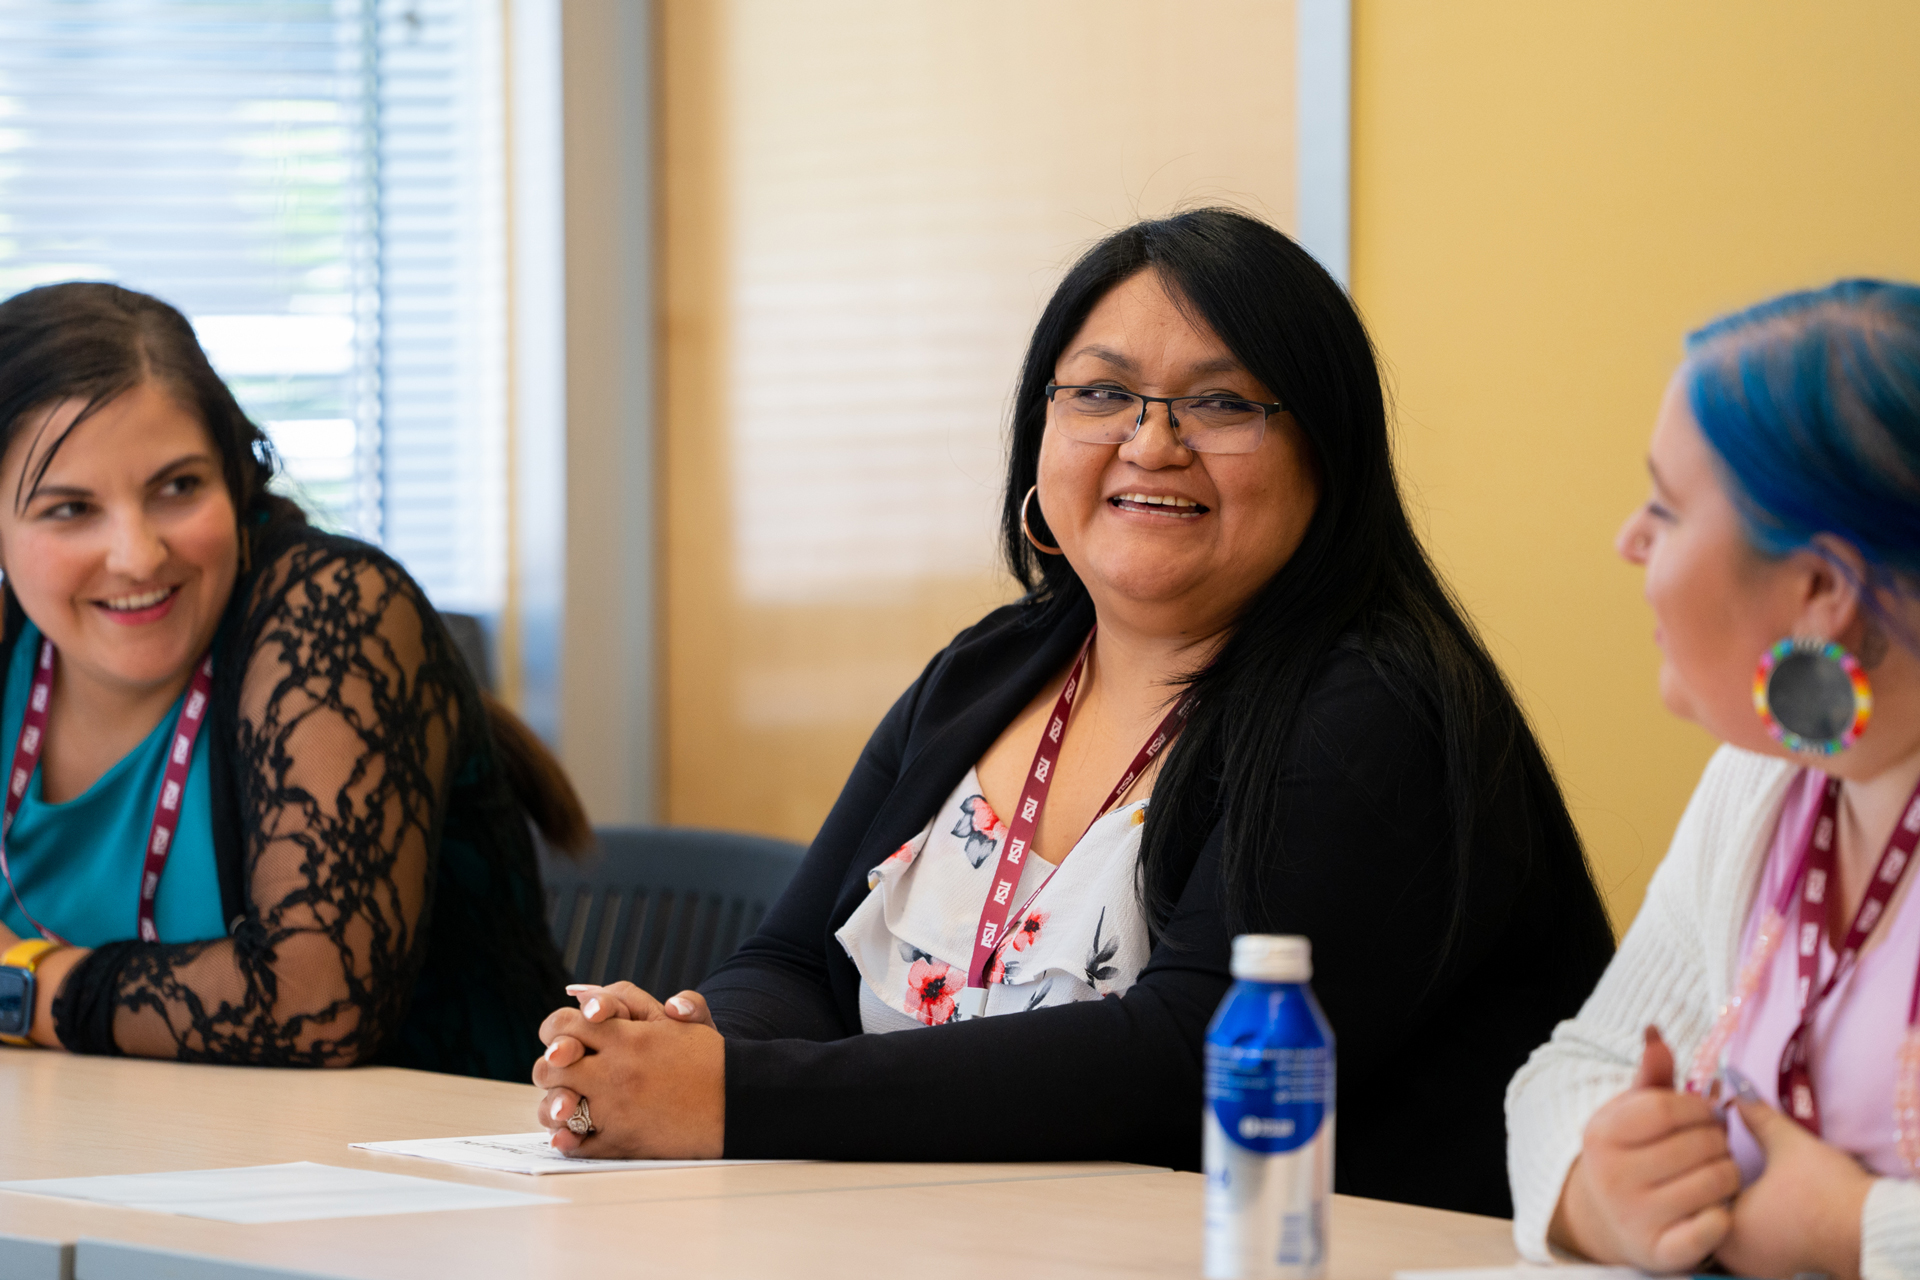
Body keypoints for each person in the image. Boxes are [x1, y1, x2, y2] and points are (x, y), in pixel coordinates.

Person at [535, 208, 1615, 1215]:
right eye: (1102, 394)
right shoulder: (992, 668)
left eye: (1223, 402)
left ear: (1328, 455)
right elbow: (792, 965)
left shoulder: (1372, 710)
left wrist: (734, 1093)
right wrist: (677, 1042)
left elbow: (1180, 1060)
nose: (1152, 443)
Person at [0, 282, 583, 1079]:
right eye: (69, 510)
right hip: (109, 1161)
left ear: (239, 481)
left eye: (178, 488)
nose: (136, 554)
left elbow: (314, 1005)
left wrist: (24, 986)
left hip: (429, 1171)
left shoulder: (338, 617)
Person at [1507, 280, 1920, 1279]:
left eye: (1666, 506)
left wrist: (1853, 1229)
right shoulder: (1765, 776)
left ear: (1820, 589)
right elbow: (1569, 1073)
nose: (1629, 540)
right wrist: (1596, 1182)